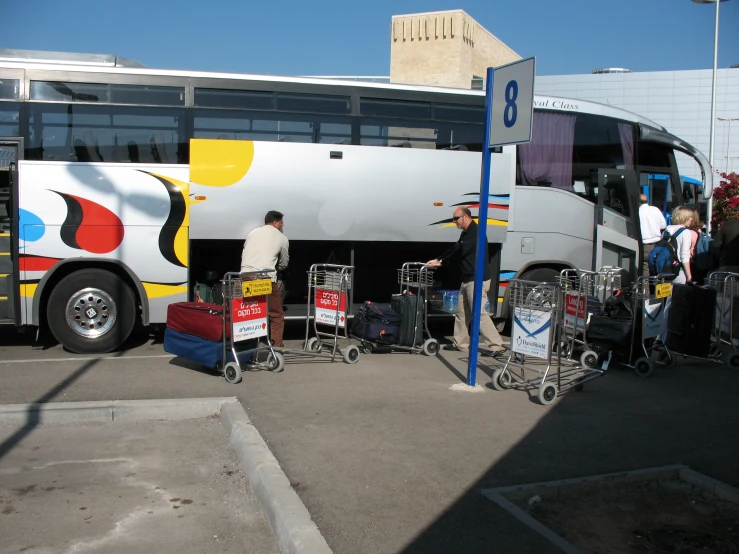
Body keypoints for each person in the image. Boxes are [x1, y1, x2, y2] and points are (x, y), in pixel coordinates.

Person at [426, 207, 506, 357]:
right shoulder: (466, 233)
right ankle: (461, 344)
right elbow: (455, 247)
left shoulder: (476, 233)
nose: (454, 221)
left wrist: (442, 262)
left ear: (466, 217)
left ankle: (497, 346)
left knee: (479, 313)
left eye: (456, 218)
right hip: (467, 279)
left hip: (476, 279)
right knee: (461, 313)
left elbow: (460, 251)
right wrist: (439, 259)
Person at [241, 211, 289, 347]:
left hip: (245, 277)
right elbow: (284, 262)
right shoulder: (282, 238)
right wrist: (277, 269)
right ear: (275, 222)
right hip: (264, 280)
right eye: (281, 222)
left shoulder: (252, 233)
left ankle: (245, 345)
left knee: (250, 311)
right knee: (276, 315)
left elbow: (245, 252)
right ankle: (277, 348)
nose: (283, 224)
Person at [639, 194, 667, 276]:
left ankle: (646, 289)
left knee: (645, 271)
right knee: (657, 269)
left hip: (645, 246)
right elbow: (663, 225)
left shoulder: (637, 212)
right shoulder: (655, 209)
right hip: (658, 245)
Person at [664, 206, 693, 284]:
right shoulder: (686, 232)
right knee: (678, 295)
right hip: (677, 270)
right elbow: (684, 256)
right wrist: (689, 276)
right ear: (684, 217)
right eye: (690, 217)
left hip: (663, 269)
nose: (691, 219)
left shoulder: (666, 230)